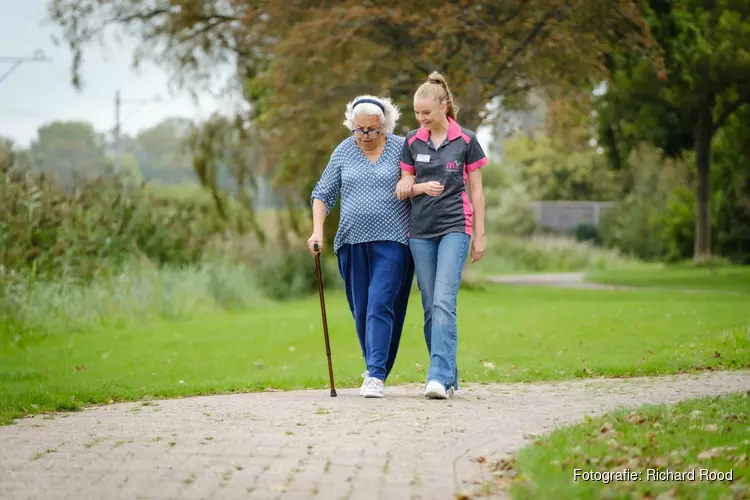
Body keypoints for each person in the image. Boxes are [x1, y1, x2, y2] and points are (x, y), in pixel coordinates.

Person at [308, 95, 415, 399]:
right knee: (362, 310)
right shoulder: (343, 151)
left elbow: (417, 181)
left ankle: (376, 375)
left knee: (382, 304)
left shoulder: (401, 147)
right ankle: (374, 367)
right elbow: (322, 194)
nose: (366, 136)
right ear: (351, 126)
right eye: (360, 129)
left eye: (373, 130)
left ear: (386, 126)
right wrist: (317, 230)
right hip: (351, 242)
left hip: (394, 240)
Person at [395, 72, 488, 400]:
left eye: (426, 112)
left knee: (444, 302)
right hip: (420, 232)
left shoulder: (465, 140)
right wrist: (416, 186)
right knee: (430, 307)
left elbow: (476, 192)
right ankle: (449, 375)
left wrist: (479, 235)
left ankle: (436, 375)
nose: (421, 119)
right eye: (417, 113)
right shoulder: (411, 141)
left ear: (443, 106)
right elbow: (403, 187)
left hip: (455, 226)